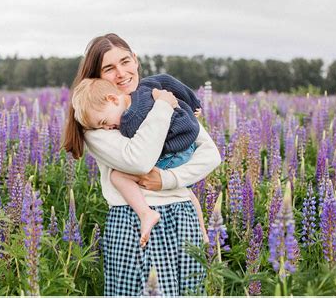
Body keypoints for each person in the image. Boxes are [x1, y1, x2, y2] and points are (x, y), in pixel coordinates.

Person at [63, 33, 221, 297]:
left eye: (125, 62)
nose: (121, 73)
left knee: (192, 292)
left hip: (183, 216)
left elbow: (211, 154)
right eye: (109, 68)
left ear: (135, 60)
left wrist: (167, 179)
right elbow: (139, 161)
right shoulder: (99, 125)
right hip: (136, 221)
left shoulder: (155, 96)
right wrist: (163, 107)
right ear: (97, 76)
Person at [71, 74, 208, 247]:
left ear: (113, 99)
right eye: (101, 127)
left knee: (118, 177)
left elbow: (141, 157)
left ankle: (145, 214)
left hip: (175, 150)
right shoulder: (145, 88)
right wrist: (193, 102)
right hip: (187, 143)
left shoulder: (128, 122)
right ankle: (203, 233)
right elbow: (166, 80)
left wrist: (164, 106)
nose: (107, 128)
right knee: (186, 192)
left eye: (104, 122)